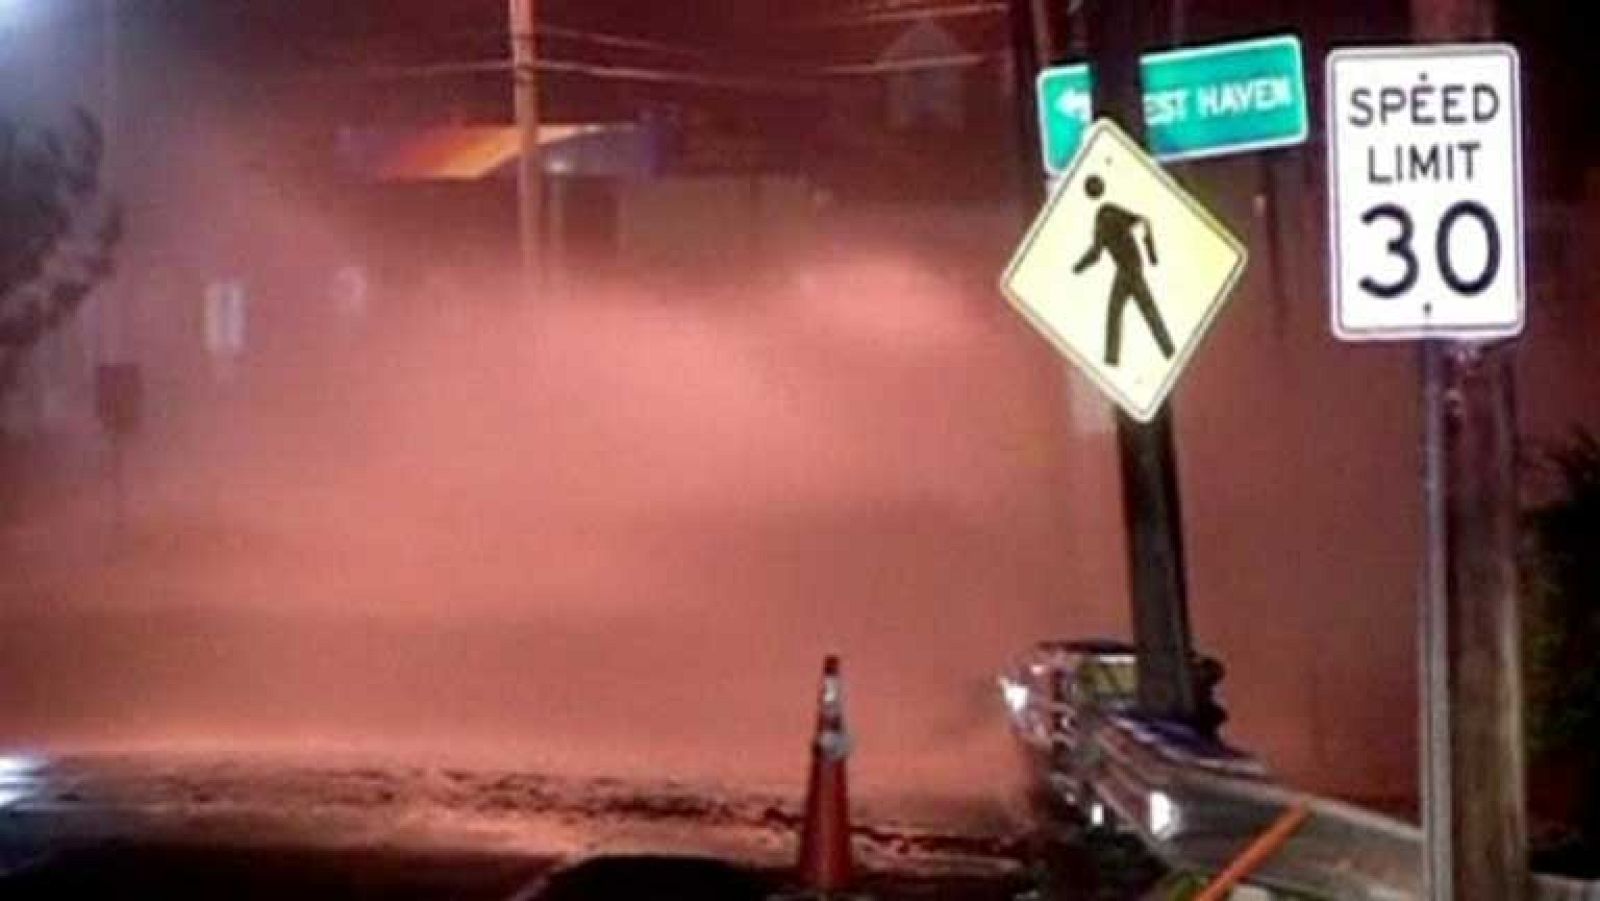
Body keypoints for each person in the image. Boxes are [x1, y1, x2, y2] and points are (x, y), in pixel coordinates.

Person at [1072, 175, 1175, 367]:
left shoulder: (1104, 216)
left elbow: (1095, 253)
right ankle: (1163, 351)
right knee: (1127, 310)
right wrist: (1151, 255)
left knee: (1136, 310)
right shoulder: (1109, 210)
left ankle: (1164, 351)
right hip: (1128, 267)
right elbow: (1143, 221)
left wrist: (1077, 268)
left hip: (1130, 270)